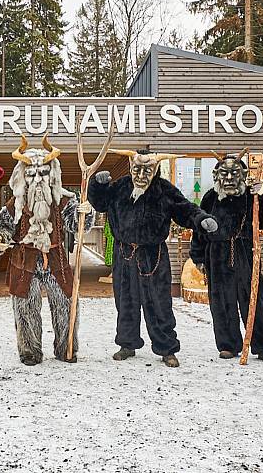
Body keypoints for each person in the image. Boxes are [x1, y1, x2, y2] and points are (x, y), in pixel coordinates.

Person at [88, 149, 218, 367]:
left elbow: (185, 209)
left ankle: (166, 349)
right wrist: (97, 185)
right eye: (137, 169)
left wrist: (201, 218)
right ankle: (127, 344)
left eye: (147, 170)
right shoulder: (120, 187)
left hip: (153, 256)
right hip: (124, 254)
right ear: (131, 167)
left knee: (159, 303)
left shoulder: (163, 190)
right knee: (126, 302)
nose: (141, 174)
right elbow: (99, 203)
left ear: (155, 169)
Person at [0, 135, 94, 365]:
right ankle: (29, 351)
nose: (38, 179)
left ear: (52, 174)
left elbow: (77, 226)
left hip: (56, 260)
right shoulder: (17, 202)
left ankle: (65, 348)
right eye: (31, 174)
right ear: (23, 176)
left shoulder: (63, 200)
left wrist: (85, 213)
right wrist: (0, 239)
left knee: (65, 305)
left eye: (43, 173)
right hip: (24, 262)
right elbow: (2, 226)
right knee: (25, 307)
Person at [190, 150, 263, 363]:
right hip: (216, 254)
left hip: (246, 252)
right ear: (217, 176)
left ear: (242, 175)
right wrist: (198, 256)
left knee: (254, 299)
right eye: (225, 174)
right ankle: (228, 345)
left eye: (234, 174)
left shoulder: (252, 196)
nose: (230, 178)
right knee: (221, 302)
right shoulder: (210, 197)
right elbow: (200, 228)